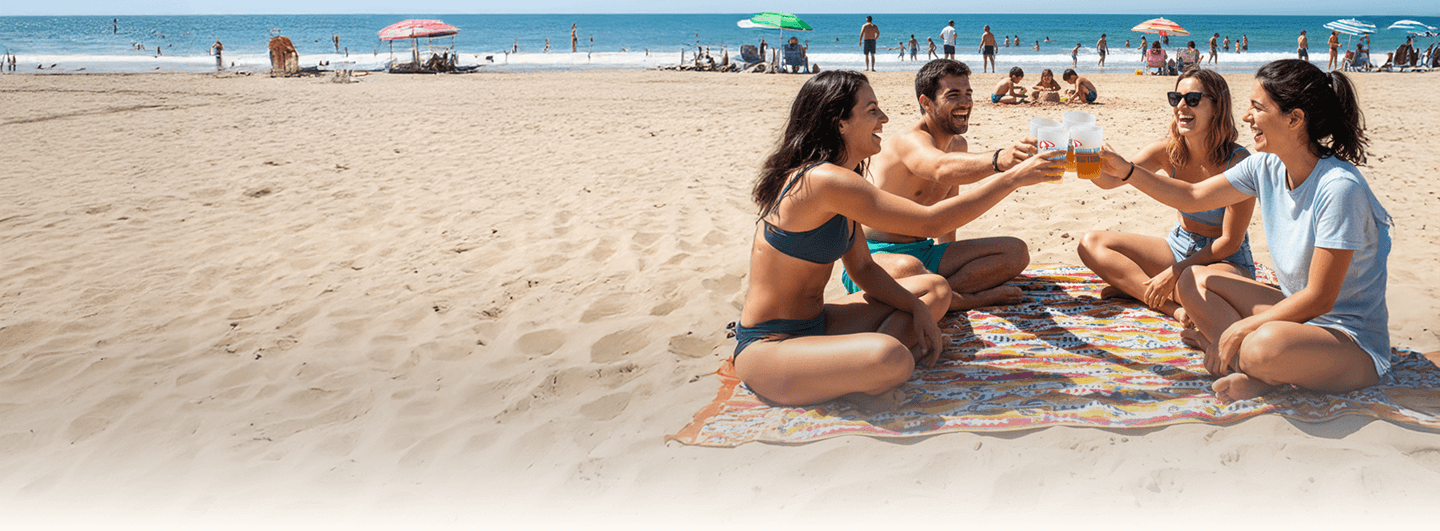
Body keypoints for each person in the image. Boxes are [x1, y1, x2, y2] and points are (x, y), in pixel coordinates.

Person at [734, 69, 1059, 409]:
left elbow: (862, 268)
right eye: (871, 109)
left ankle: (858, 362)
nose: (884, 118)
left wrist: (916, 308)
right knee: (892, 358)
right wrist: (1010, 178)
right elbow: (931, 221)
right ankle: (876, 366)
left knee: (934, 290)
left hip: (818, 323)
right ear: (839, 122)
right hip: (770, 344)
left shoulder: (841, 176)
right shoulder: (823, 181)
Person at [1090, 59, 1392, 403]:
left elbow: (1321, 298)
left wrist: (1238, 328)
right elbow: (1192, 197)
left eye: (1257, 107)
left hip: (1349, 339)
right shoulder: (1266, 165)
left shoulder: (1339, 188)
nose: (1246, 116)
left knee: (1264, 347)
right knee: (1192, 280)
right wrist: (1127, 170)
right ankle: (1248, 367)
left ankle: (1235, 358)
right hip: (1297, 318)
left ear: (1294, 119)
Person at [843, 59, 1064, 310]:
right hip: (877, 257)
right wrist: (1001, 160)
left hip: (924, 251)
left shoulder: (958, 145)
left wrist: (952, 256)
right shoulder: (909, 141)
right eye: (954, 95)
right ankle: (962, 299)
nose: (966, 102)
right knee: (910, 268)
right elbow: (940, 167)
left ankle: (938, 293)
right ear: (926, 103)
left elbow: (948, 212)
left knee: (1015, 252)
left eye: (968, 94)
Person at [1079, 68, 1255, 327]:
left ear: (1217, 107)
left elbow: (1229, 242)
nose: (1181, 106)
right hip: (1178, 245)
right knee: (1091, 243)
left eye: (1193, 99)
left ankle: (1138, 288)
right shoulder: (1167, 150)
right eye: (1176, 98)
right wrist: (1086, 163)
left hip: (1223, 259)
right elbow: (1110, 180)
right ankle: (1171, 306)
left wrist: (1174, 272)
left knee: (1198, 285)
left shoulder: (1238, 162)